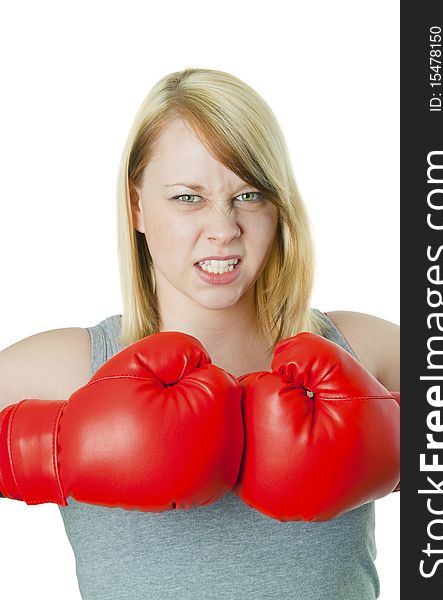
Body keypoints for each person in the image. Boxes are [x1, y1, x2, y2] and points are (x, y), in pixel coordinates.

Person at [0, 67, 399, 599]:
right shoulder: (72, 369)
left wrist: (400, 447)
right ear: (137, 207)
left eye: (249, 194)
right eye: (188, 197)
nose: (223, 228)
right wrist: (55, 448)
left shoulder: (358, 352)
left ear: (279, 206)